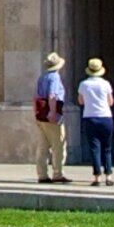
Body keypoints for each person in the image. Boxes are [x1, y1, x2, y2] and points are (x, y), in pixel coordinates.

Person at [74, 57, 114, 187]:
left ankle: (97, 177)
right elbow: (111, 102)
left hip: (90, 117)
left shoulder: (84, 84)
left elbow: (80, 101)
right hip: (106, 117)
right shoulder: (106, 84)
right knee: (107, 148)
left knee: (95, 148)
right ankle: (109, 176)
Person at [32, 51, 72, 184]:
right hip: (51, 114)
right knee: (58, 145)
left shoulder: (42, 77)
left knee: (42, 146)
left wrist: (36, 113)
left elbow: (35, 97)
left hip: (40, 115)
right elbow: (53, 95)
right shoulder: (54, 77)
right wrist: (53, 113)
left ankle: (42, 174)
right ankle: (57, 173)